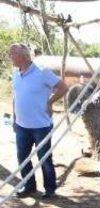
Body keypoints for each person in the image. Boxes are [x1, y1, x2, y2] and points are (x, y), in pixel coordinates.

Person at [9, 43, 68, 199]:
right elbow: (16, 96)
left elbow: (63, 87)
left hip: (41, 126)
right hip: (22, 126)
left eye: (12, 54)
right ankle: (29, 187)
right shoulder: (16, 74)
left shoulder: (42, 72)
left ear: (24, 56)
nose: (10, 57)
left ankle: (50, 189)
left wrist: (50, 102)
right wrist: (15, 118)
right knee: (23, 157)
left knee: (44, 158)